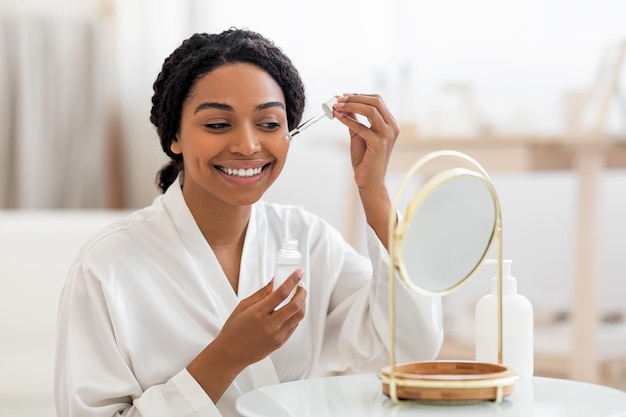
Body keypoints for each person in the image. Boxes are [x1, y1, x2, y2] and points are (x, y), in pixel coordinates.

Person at [54, 27, 442, 417]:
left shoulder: (308, 239)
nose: (248, 146)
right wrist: (224, 358)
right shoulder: (107, 267)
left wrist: (373, 191)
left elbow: (408, 349)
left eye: (269, 124)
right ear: (174, 136)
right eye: (218, 125)